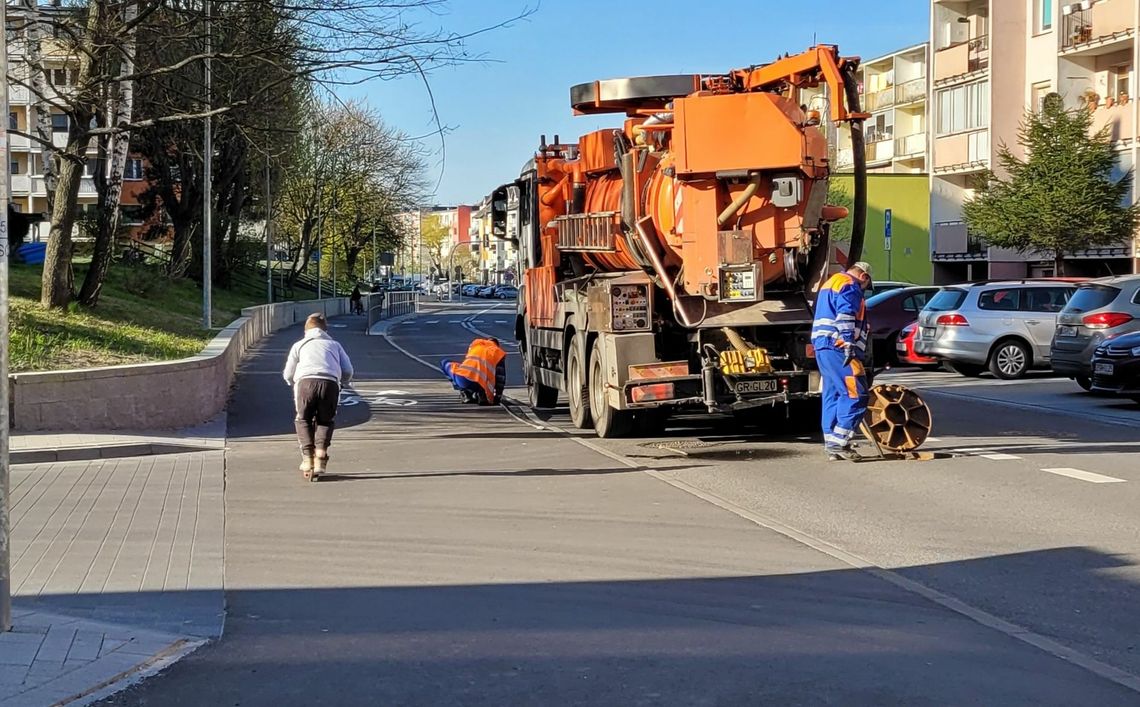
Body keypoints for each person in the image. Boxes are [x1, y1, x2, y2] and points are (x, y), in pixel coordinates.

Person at [811, 261, 873, 461]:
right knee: (857, 393)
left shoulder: (831, 282)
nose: (864, 291)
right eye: (866, 286)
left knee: (833, 393)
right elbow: (845, 314)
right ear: (863, 276)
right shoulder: (849, 285)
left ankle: (831, 442)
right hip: (839, 347)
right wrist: (848, 343)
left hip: (823, 346)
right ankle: (840, 443)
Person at [283, 313, 354, 480]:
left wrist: (292, 383)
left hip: (305, 383)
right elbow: (348, 371)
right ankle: (321, 453)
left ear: (306, 329)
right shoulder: (335, 345)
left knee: (303, 419)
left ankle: (308, 458)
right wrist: (341, 382)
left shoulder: (299, 345)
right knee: (325, 420)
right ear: (325, 329)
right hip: (329, 383)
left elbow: (288, 373)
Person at [441, 337, 506, 406]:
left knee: (444, 362)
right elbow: (500, 378)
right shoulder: (498, 353)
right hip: (482, 385)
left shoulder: (476, 346)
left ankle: (466, 394)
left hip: (464, 380)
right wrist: (497, 397)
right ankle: (482, 393)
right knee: (482, 375)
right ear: (497, 345)